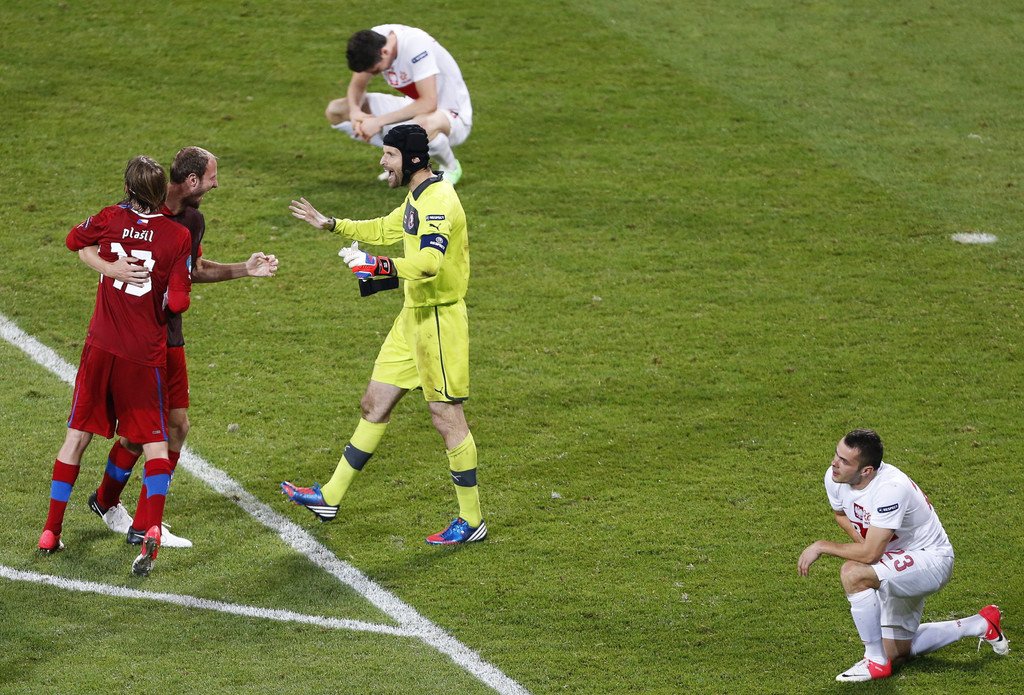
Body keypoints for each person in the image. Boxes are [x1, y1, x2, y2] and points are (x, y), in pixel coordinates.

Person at [282, 124, 484, 545]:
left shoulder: (438, 202)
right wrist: (332, 224)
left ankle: (471, 520)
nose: (382, 161)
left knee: (446, 417)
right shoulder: (418, 196)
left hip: (439, 322)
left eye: (389, 154)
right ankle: (330, 497)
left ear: (412, 159)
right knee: (373, 404)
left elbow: (428, 264)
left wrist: (378, 266)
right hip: (412, 318)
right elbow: (386, 228)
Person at [78, 146, 278, 550]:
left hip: (169, 336)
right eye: (212, 178)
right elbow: (86, 244)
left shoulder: (192, 221)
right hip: (132, 341)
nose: (216, 185)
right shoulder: (134, 210)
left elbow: (193, 270)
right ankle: (137, 521)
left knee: (173, 427)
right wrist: (110, 268)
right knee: (144, 432)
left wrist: (244, 269)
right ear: (191, 180)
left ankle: (116, 507)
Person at [39, 155, 193, 577]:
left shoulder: (109, 218)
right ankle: (151, 528)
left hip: (101, 347)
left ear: (127, 189)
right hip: (144, 355)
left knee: (76, 438)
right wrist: (165, 295)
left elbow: (74, 241)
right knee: (156, 443)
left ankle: (51, 531)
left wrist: (109, 267)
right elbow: (180, 301)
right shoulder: (177, 235)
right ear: (162, 193)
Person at [798, 428, 1009, 682]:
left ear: (866, 471)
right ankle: (980, 623)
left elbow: (870, 554)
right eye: (836, 454)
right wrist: (866, 543)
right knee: (896, 653)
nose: (834, 463)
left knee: (854, 573)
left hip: (930, 559)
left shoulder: (890, 489)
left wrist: (822, 546)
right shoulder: (835, 477)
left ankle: (874, 661)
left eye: (844, 460)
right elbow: (841, 513)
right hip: (895, 558)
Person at [326, 24, 472, 185]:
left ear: (385, 52)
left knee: (421, 126)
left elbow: (429, 103)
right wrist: (355, 112)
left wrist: (378, 122)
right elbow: (358, 86)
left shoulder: (416, 46)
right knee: (337, 110)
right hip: (414, 108)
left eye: (375, 70)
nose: (373, 74)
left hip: (451, 115)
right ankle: (402, 165)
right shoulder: (372, 42)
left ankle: (450, 167)